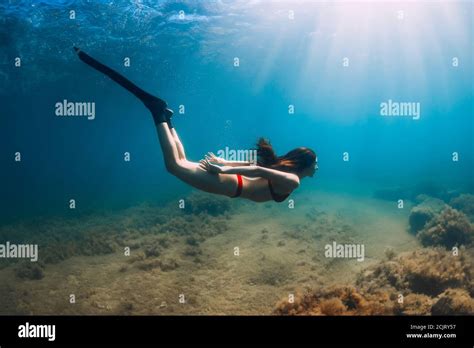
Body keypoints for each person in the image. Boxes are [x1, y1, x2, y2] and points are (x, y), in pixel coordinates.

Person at [74, 47, 318, 203]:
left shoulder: (286, 172)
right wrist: (223, 170)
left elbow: (254, 166)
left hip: (232, 182)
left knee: (180, 160)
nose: (317, 167)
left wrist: (225, 163)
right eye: (315, 163)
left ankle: (166, 117)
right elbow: (259, 171)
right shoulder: (293, 181)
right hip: (231, 185)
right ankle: (157, 112)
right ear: (304, 164)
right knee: (174, 165)